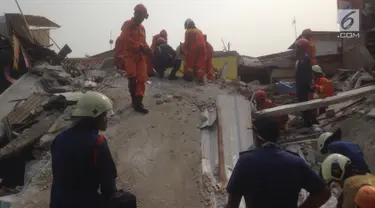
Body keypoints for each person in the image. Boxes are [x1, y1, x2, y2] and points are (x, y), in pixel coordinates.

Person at [226, 116, 331, 208]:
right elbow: (324, 193)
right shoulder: (296, 162)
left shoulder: (245, 162)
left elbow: (232, 204)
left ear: (257, 138)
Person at [50, 91, 119, 208]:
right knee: (126, 201)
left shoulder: (60, 138)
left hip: (57, 201)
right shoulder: (98, 143)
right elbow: (108, 186)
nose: (106, 119)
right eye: (104, 115)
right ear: (96, 116)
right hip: (84, 203)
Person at [120, 4, 151, 114]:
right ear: (136, 14)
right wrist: (139, 47)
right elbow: (125, 39)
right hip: (130, 56)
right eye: (142, 16)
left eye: (144, 17)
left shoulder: (142, 28)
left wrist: (147, 48)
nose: (143, 19)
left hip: (140, 57)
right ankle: (134, 100)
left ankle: (138, 102)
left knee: (142, 79)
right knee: (132, 79)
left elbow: (144, 42)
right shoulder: (127, 25)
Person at [295, 38, 316, 127]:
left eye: (298, 47)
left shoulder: (306, 59)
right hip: (300, 86)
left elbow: (308, 74)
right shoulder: (300, 59)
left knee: (306, 104)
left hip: (305, 86)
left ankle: (308, 123)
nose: (297, 48)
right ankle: (306, 120)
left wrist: (309, 86)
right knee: (302, 103)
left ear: (302, 47)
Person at [181, 18, 207, 83]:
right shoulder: (199, 31)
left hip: (194, 47)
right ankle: (200, 79)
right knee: (200, 63)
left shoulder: (188, 31)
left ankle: (189, 77)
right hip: (203, 48)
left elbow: (187, 43)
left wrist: (183, 49)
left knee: (190, 62)